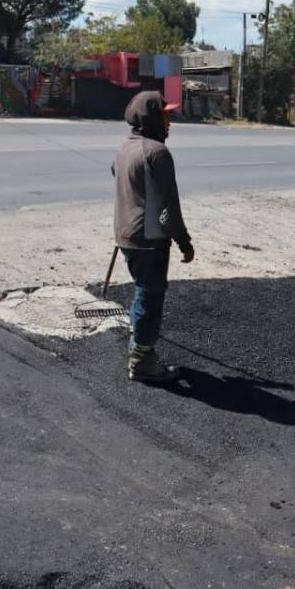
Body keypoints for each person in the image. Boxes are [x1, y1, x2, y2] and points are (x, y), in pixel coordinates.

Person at [113, 91, 195, 382]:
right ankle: (143, 360)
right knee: (151, 296)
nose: (169, 120)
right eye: (165, 114)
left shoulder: (125, 146)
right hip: (149, 239)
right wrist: (183, 240)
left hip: (125, 234)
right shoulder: (157, 153)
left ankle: (139, 343)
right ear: (151, 116)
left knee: (143, 289)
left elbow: (116, 173)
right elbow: (168, 206)